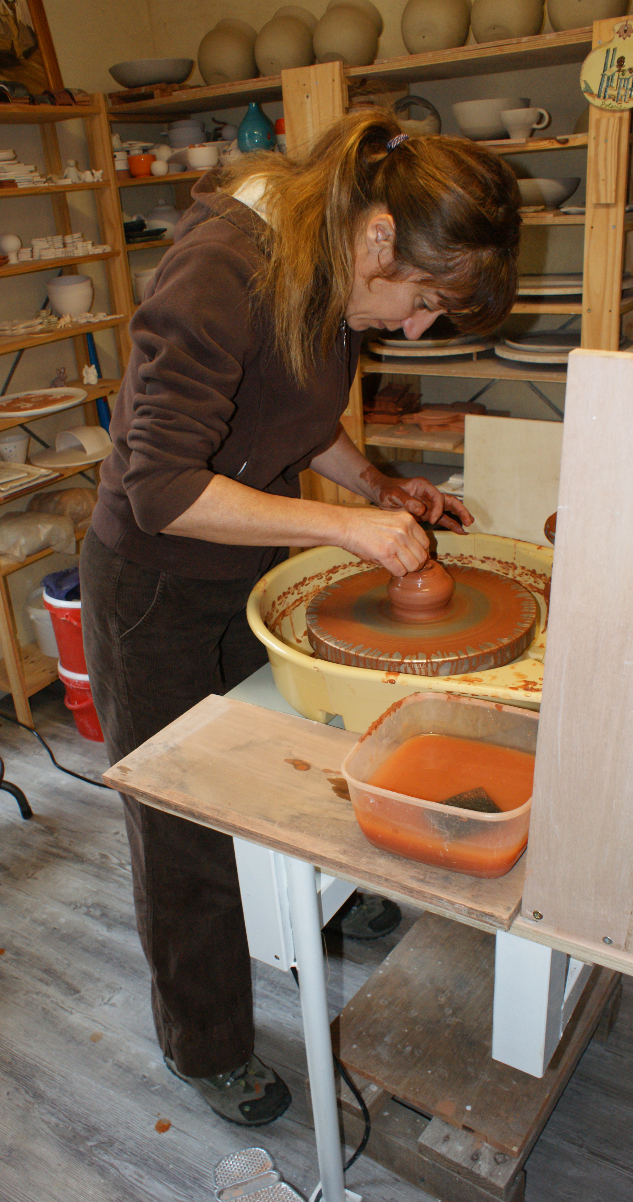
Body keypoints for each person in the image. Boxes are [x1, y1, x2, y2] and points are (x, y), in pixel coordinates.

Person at [80, 107, 521, 1128]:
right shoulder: (221, 273)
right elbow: (160, 490)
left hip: (235, 557)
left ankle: (313, 895)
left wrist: (371, 480)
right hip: (150, 579)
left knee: (279, 758)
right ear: (378, 237)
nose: (414, 327)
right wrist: (349, 532)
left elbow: (293, 406)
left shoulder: (326, 254)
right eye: (418, 301)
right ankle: (207, 1043)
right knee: (185, 822)